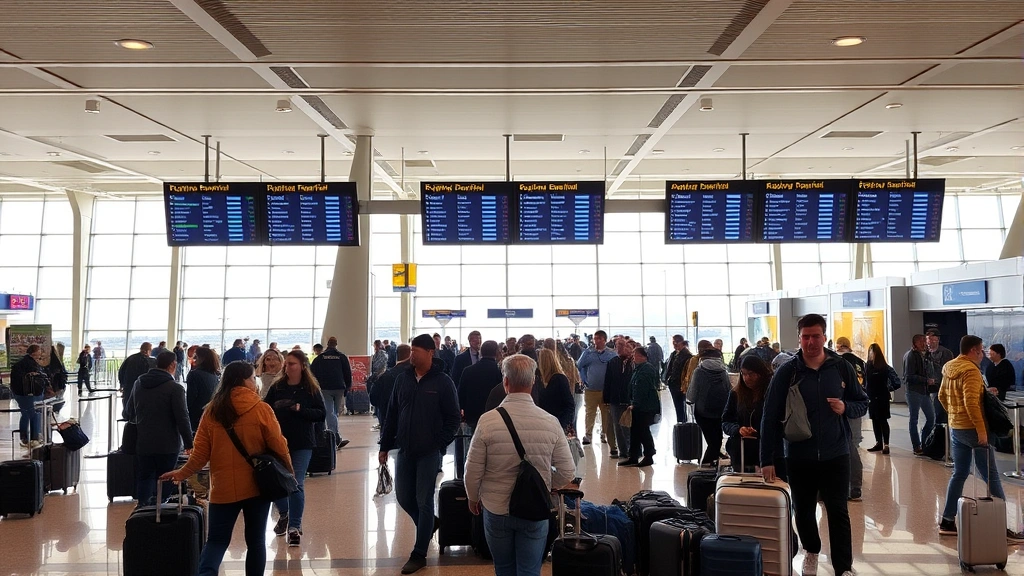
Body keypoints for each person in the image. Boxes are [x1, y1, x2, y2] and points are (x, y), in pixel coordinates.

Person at [159, 361, 293, 576]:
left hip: (223, 490)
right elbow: (279, 444)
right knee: (256, 541)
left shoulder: (211, 412)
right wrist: (289, 473)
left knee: (216, 541)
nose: (255, 382)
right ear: (243, 381)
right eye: (252, 378)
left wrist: (181, 473)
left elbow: (200, 455)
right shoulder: (261, 409)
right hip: (257, 487)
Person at [760, 314, 867, 576]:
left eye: (816, 336)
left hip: (836, 453)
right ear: (799, 338)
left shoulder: (841, 367)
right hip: (799, 455)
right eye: (805, 337)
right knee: (804, 510)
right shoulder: (788, 371)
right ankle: (812, 549)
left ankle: (844, 567)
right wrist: (767, 459)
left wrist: (845, 407)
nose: (811, 342)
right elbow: (769, 415)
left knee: (839, 511)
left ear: (825, 337)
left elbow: (862, 401)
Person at [464, 354, 576, 576]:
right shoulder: (550, 422)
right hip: (534, 508)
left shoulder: (487, 421)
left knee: (503, 569)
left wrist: (473, 497)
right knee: (529, 570)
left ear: (505, 382)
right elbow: (567, 471)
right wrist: (545, 485)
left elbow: (472, 469)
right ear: (533, 381)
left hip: (496, 508)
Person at [379, 334, 461, 574]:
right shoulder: (402, 379)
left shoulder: (443, 382)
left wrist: (439, 444)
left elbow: (453, 418)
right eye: (411, 350)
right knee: (404, 497)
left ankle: (419, 553)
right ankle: (430, 525)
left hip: (429, 452)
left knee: (424, 500)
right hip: (405, 449)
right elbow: (392, 414)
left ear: (430, 353)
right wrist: (385, 446)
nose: (411, 354)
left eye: (416, 350)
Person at [936, 335, 1024, 542]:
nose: (983, 354)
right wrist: (981, 431)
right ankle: (1002, 527)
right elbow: (972, 404)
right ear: (974, 351)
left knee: (959, 473)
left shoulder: (949, 367)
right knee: (991, 476)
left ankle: (947, 521)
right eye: (981, 350)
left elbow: (941, 396)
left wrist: (954, 415)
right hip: (974, 430)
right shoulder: (971, 372)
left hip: (957, 429)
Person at [262, 350, 327, 547]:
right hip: (278, 442)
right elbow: (265, 409)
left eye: (292, 364)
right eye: (287, 364)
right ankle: (284, 513)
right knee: (276, 483)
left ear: (302, 366)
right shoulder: (278, 387)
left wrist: (300, 409)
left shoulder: (311, 389)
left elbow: (321, 414)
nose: (288, 367)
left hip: (302, 443)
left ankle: (294, 527)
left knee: (296, 483)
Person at [123, 351, 193, 506]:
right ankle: (159, 512)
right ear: (173, 365)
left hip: (144, 441)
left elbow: (128, 412)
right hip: (168, 444)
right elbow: (182, 418)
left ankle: (142, 510)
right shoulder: (175, 388)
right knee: (166, 476)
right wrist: (189, 443)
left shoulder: (138, 383)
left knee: (145, 476)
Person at [722, 355, 785, 477]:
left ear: (760, 373)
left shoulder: (771, 393)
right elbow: (726, 421)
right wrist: (738, 429)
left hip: (768, 452)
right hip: (741, 452)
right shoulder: (735, 393)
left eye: (751, 374)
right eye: (743, 374)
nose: (747, 378)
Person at [686, 345, 731, 467]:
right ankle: (711, 462)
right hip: (720, 410)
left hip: (703, 412)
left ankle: (706, 464)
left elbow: (692, 394)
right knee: (717, 438)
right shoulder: (723, 371)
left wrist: (689, 400)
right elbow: (729, 390)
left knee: (711, 440)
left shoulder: (699, 371)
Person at [835, 337, 866, 501]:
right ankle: (855, 487)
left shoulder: (836, 363)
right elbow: (863, 385)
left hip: (839, 407)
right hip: (855, 408)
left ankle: (847, 485)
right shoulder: (860, 362)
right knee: (853, 445)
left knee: (844, 446)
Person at [309, 336, 352, 449]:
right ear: (336, 344)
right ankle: (335, 437)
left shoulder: (320, 358)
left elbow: (312, 374)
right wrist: (347, 387)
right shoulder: (342, 357)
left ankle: (332, 437)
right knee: (334, 413)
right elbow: (348, 373)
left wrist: (315, 387)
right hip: (339, 388)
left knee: (330, 413)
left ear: (327, 344)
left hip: (325, 388)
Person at [622, 346, 660, 468]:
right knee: (635, 431)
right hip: (638, 405)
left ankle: (649, 455)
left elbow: (642, 389)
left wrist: (635, 403)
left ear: (641, 356)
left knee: (643, 431)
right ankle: (633, 456)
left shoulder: (646, 369)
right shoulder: (639, 369)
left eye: (635, 355)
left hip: (645, 407)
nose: (633, 357)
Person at [576, 330, 616, 446]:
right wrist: (584, 379)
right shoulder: (588, 353)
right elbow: (579, 365)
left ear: (605, 340)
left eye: (599, 338)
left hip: (606, 390)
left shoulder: (611, 354)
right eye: (595, 338)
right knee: (590, 413)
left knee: (606, 414)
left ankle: (604, 434)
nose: (596, 341)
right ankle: (588, 435)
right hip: (591, 389)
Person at [458, 341, 503, 435]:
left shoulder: (468, 370)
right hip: (494, 414)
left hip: (472, 414)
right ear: (496, 352)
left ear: (481, 352)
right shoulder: (499, 372)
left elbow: (460, 393)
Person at [903, 334, 934, 455]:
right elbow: (908, 376)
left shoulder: (924, 356)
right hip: (914, 391)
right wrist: (926, 380)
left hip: (924, 391)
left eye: (924, 341)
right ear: (915, 343)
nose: (924, 344)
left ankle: (925, 442)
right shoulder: (911, 356)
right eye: (921, 341)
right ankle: (916, 445)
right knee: (914, 419)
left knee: (931, 418)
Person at [10, 345, 46, 449]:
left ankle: (24, 438)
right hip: (30, 394)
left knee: (25, 414)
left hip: (19, 394)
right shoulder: (31, 364)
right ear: (34, 353)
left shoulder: (20, 364)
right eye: (39, 351)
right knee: (35, 415)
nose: (40, 353)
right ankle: (34, 438)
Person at [603, 338, 633, 459]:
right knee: (617, 426)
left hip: (628, 399)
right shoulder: (613, 362)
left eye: (621, 345)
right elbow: (608, 381)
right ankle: (623, 451)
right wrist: (606, 399)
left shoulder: (632, 362)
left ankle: (632, 449)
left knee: (628, 426)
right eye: (617, 345)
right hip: (615, 399)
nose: (619, 347)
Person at [370, 344, 411, 431]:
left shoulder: (385, 376)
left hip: (388, 420)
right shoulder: (416, 374)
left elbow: (373, 398)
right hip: (410, 423)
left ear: (397, 355)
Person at [864, 343, 893, 455]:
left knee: (882, 419)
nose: (871, 354)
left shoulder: (884, 367)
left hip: (881, 397)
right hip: (872, 396)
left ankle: (886, 444)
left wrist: (888, 389)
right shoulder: (868, 365)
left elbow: (895, 382)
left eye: (872, 352)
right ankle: (878, 442)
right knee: (875, 420)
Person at [536, 349, 575, 432]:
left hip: (557, 424)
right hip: (544, 424)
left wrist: (562, 424)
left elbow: (569, 404)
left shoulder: (559, 379)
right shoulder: (539, 380)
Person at [187, 347, 221, 436]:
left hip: (197, 414)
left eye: (196, 357)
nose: (195, 359)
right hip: (211, 412)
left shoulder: (194, 374)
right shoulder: (215, 375)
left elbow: (191, 398)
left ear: (202, 359)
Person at [926, 330, 955, 423]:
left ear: (937, 339)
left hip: (941, 387)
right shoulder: (925, 353)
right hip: (928, 388)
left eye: (931, 339)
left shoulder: (946, 353)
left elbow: (949, 370)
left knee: (940, 413)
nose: (929, 342)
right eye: (928, 339)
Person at [119, 342, 155, 410]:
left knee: (128, 405)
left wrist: (122, 385)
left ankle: (128, 417)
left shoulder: (130, 358)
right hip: (141, 388)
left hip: (128, 386)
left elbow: (121, 371)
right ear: (148, 351)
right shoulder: (149, 361)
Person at [664, 335, 691, 423]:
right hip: (673, 383)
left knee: (680, 405)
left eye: (674, 343)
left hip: (680, 384)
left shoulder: (687, 355)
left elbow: (687, 371)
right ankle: (681, 422)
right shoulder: (674, 353)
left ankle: (682, 422)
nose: (674, 345)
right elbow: (670, 368)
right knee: (677, 405)